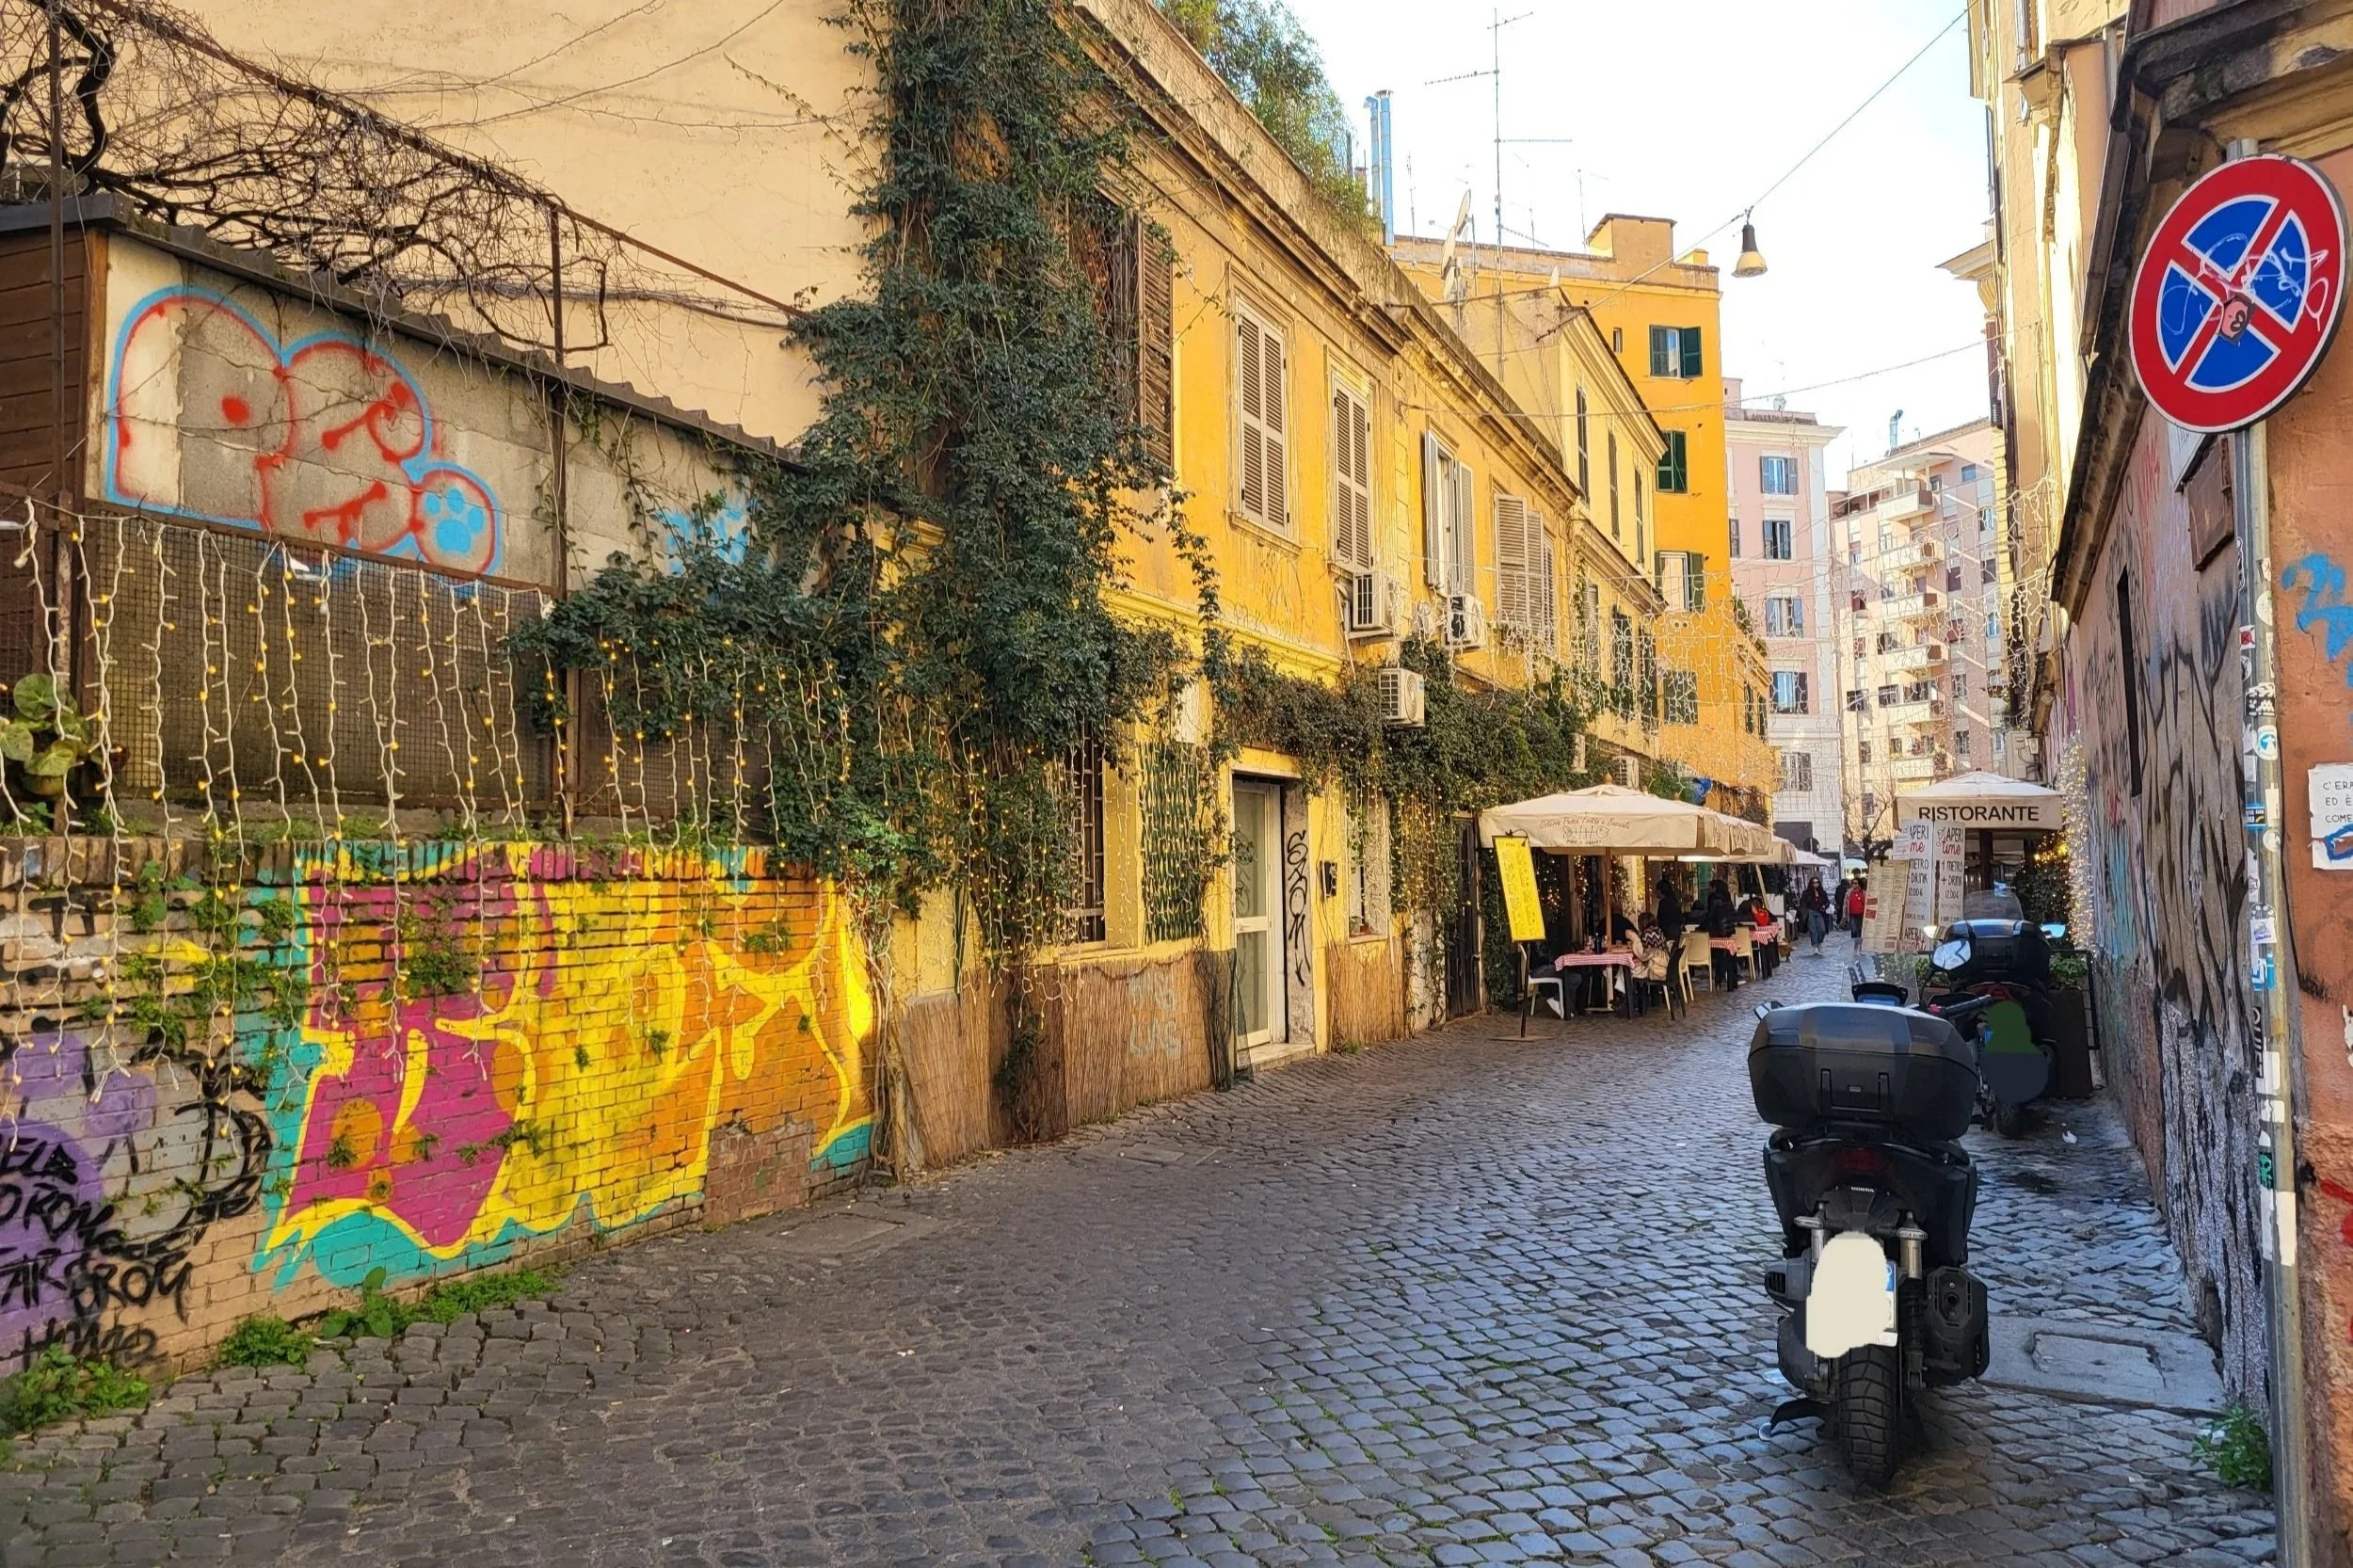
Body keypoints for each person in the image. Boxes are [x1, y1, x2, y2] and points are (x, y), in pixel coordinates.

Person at [1655, 872, 1688, 1018]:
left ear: (1660, 891)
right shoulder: (1674, 902)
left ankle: (1656, 996)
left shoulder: (1664, 904)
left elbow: (1661, 922)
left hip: (1667, 938)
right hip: (1674, 939)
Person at [1704, 876, 1740, 992]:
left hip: (1717, 931)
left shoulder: (1713, 899)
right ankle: (1732, 981)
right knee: (1729, 954)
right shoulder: (1727, 897)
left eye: (1710, 887)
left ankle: (1720, 978)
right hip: (1728, 931)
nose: (1709, 890)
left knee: (1719, 955)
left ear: (1714, 888)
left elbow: (1711, 916)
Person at [1800, 876, 1831, 954]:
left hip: (1820, 912)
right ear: (1811, 883)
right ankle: (1814, 946)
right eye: (1814, 882)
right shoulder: (1806, 893)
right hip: (1810, 912)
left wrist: (1824, 906)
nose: (1815, 884)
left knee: (1822, 929)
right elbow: (1802, 903)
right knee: (1813, 930)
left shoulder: (1823, 893)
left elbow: (1827, 902)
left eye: (1817, 882)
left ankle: (1819, 943)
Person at [1846, 876, 1868, 941]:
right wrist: (1845, 916)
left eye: (1855, 883)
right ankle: (1854, 945)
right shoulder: (1849, 893)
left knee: (1860, 930)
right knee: (1854, 930)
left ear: (1859, 884)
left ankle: (1859, 944)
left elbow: (1865, 903)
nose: (1853, 885)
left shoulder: (1863, 893)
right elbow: (1845, 905)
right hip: (1852, 914)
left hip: (1861, 914)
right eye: (1852, 883)